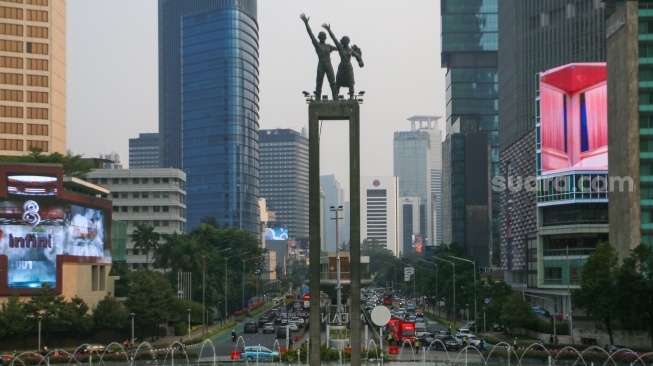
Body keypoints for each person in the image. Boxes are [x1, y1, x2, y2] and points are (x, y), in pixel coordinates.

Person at [300, 14, 338, 100]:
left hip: (328, 64)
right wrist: (306, 23)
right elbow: (311, 34)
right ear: (319, 38)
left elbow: (339, 48)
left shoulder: (329, 46)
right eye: (321, 37)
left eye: (324, 37)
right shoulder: (317, 45)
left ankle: (335, 97)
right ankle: (318, 97)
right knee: (319, 82)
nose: (323, 38)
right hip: (321, 64)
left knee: (332, 81)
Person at [322, 23, 364, 100]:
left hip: (348, 66)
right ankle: (336, 95)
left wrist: (360, 61)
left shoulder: (350, 50)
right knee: (338, 80)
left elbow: (358, 56)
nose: (345, 42)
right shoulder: (340, 48)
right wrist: (329, 30)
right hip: (342, 66)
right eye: (344, 41)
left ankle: (351, 95)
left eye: (346, 41)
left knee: (351, 81)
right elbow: (334, 39)